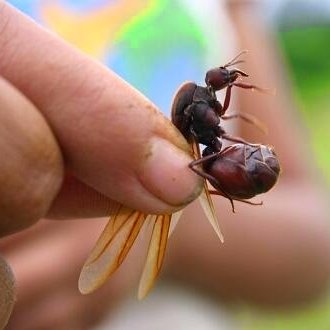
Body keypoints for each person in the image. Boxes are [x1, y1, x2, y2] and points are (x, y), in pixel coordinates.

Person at [0, 1, 329, 328]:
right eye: (224, 77)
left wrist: (167, 223)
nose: (228, 79)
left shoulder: (225, 10)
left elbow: (315, 239)